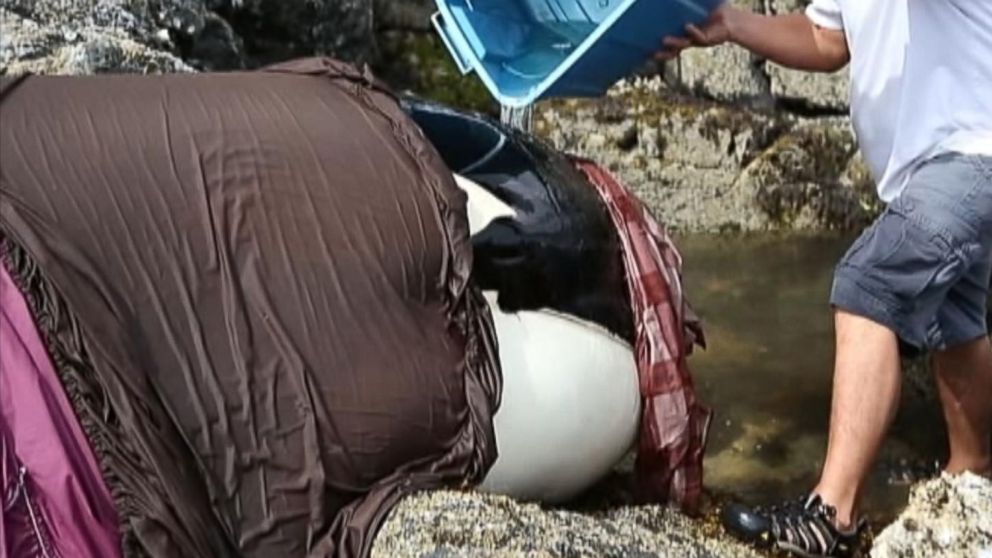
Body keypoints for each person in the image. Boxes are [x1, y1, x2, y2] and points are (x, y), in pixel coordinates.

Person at [658, 1, 992, 557]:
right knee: (953, 320)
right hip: (930, 168)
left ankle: (833, 516)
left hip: (970, 155)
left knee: (869, 286)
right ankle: (973, 477)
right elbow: (827, 39)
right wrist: (732, 24)